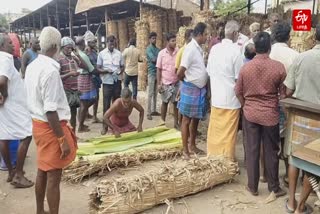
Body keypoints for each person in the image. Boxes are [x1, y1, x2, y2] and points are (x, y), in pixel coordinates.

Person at [25, 26, 77, 214]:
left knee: (42, 170)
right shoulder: (50, 71)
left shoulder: (32, 66)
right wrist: (62, 139)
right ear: (55, 46)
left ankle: (40, 211)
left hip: (38, 125)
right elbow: (51, 110)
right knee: (54, 177)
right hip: (50, 127)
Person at [235, 32, 287, 197]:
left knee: (252, 150)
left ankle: (252, 186)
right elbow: (283, 93)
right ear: (270, 48)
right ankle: (274, 187)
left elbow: (238, 92)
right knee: (271, 151)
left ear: (255, 48)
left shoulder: (245, 68)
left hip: (250, 114)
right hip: (270, 115)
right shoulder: (278, 67)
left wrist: (245, 106)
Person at [284, 24, 320, 213]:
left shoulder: (301, 58)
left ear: (315, 36)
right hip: (319, 123)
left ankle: (291, 201)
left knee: (295, 159)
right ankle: (300, 207)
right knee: (313, 163)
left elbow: (288, 91)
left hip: (300, 117)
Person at [206, 20, 243, 161]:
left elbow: (209, 73)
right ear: (234, 33)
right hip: (231, 100)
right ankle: (226, 162)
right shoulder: (236, 52)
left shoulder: (214, 49)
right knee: (228, 133)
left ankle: (213, 158)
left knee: (215, 131)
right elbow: (238, 80)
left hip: (216, 98)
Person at [0, 33, 33, 188]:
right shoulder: (5, 58)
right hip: (13, 105)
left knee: (4, 136)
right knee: (26, 135)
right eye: (9, 43)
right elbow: (2, 80)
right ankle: (18, 174)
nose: (13, 45)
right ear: (2, 46)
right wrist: (4, 95)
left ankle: (11, 172)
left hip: (6, 106)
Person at [269, 21, 299, 186]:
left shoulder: (268, 52)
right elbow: (295, 84)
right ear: (289, 36)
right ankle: (288, 176)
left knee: (270, 140)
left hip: (269, 103)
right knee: (288, 142)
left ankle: (267, 175)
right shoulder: (295, 55)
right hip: (288, 103)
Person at [177, 22, 208, 159]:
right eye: (206, 34)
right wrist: (185, 84)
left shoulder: (198, 49)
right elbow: (180, 72)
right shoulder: (190, 49)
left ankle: (193, 146)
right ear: (200, 34)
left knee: (195, 119)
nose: (207, 37)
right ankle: (185, 150)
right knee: (186, 120)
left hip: (199, 89)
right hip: (191, 88)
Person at [58, 36, 87, 132]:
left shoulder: (73, 58)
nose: (70, 50)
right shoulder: (59, 59)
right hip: (66, 90)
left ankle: (73, 134)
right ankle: (69, 134)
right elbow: (57, 77)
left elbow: (85, 66)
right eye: (68, 48)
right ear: (62, 48)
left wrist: (78, 55)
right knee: (68, 114)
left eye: (71, 48)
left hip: (75, 90)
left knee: (73, 113)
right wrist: (69, 74)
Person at [97, 35, 124, 135]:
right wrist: (105, 71)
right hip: (107, 82)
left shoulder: (119, 53)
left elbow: (122, 66)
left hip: (117, 81)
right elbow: (98, 68)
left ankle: (115, 124)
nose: (112, 45)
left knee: (116, 104)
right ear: (107, 43)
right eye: (110, 43)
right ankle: (105, 126)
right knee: (106, 104)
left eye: (113, 43)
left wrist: (120, 72)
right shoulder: (102, 54)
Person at [156, 33, 179, 128]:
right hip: (165, 83)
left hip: (176, 82)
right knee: (164, 103)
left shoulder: (178, 52)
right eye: (172, 41)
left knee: (176, 104)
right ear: (167, 42)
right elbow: (158, 69)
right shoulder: (161, 54)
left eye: (175, 40)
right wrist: (158, 84)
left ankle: (176, 124)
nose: (175, 43)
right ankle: (162, 122)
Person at [75, 36, 97, 133]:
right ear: (82, 44)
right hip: (85, 79)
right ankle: (80, 126)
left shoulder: (76, 54)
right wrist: (104, 71)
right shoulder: (83, 56)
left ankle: (81, 122)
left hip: (80, 79)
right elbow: (92, 69)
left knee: (83, 103)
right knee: (90, 100)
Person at [175, 29, 193, 127]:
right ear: (186, 38)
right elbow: (177, 70)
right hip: (184, 81)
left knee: (190, 108)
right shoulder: (182, 51)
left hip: (191, 83)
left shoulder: (194, 49)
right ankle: (181, 126)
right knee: (182, 107)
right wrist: (183, 82)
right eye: (191, 38)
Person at [85, 31, 102, 123]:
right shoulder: (86, 53)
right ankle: (86, 113)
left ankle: (93, 115)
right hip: (90, 77)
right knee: (91, 97)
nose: (95, 43)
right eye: (93, 42)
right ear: (88, 43)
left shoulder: (95, 51)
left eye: (95, 42)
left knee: (96, 97)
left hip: (96, 76)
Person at [146, 32, 161, 120]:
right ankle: (148, 112)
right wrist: (159, 59)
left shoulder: (157, 49)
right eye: (152, 38)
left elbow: (158, 60)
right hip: (151, 73)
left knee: (155, 93)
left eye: (155, 38)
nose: (154, 40)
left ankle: (154, 110)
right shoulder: (148, 49)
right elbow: (154, 59)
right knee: (150, 93)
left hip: (157, 73)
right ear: (149, 39)